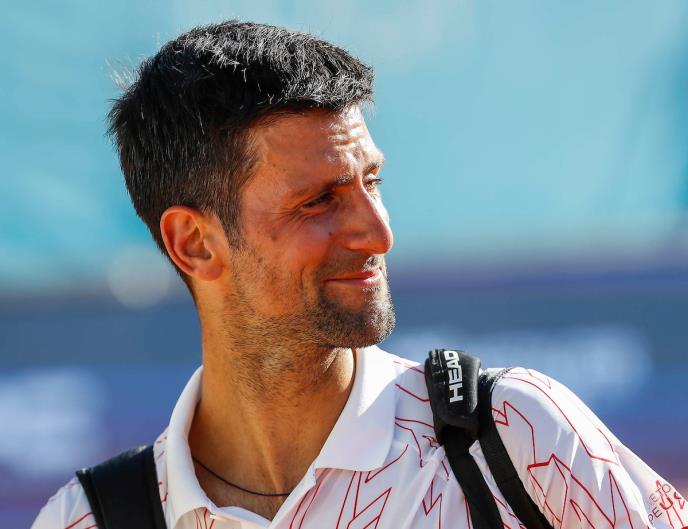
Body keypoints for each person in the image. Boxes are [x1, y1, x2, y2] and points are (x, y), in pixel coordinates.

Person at [32, 20, 685, 529]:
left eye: (372, 181)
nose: (379, 232)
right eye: (319, 200)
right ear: (195, 243)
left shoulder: (514, 434)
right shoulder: (86, 519)